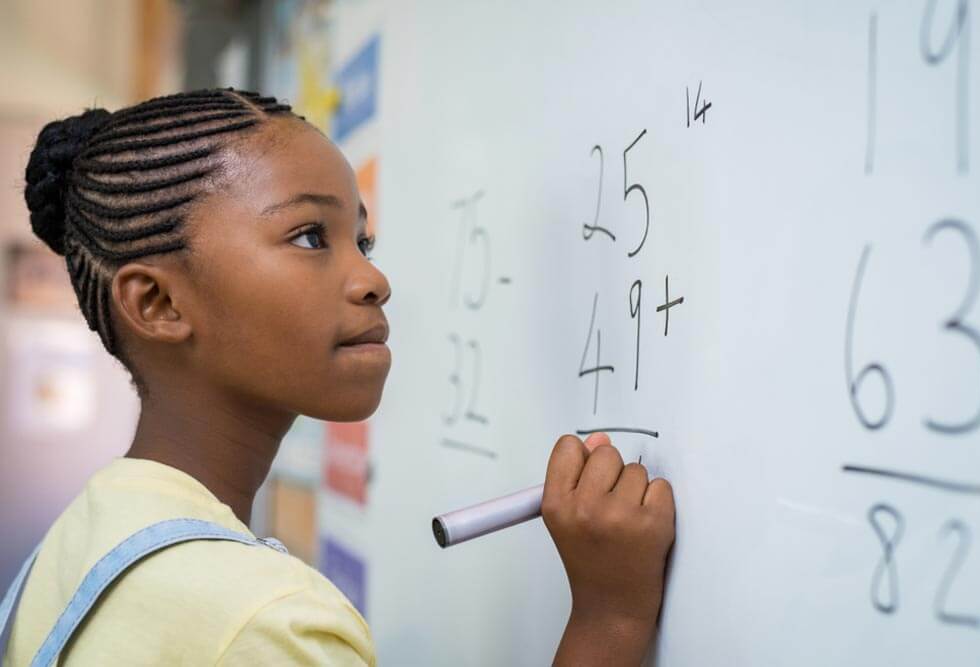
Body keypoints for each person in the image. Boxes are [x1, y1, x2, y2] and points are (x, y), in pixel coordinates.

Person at [1, 88, 675, 666]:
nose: (374, 280)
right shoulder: (264, 624)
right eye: (309, 237)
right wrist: (608, 619)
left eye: (364, 241)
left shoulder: (83, 535)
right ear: (158, 303)